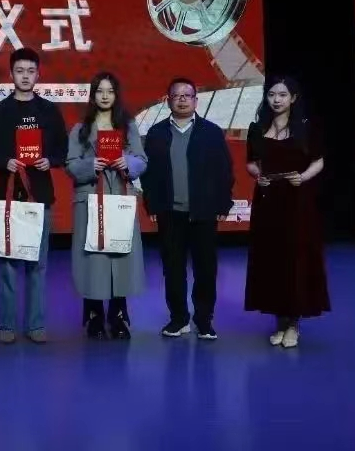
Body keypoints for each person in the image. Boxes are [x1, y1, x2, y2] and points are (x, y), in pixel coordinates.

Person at [0, 47, 68, 344]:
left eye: (30, 71)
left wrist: (50, 160)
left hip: (39, 195)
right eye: (20, 71)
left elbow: (62, 148)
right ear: (11, 74)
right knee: (7, 264)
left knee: (37, 264)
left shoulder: (49, 111)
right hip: (7, 195)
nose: (25, 76)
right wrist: (4, 161)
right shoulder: (0, 111)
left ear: (38, 75)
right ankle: (6, 325)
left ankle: (36, 325)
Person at [141, 77, 234, 341]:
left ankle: (204, 320)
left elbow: (224, 170)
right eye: (176, 95)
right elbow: (149, 175)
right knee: (173, 269)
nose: (182, 99)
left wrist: (223, 203)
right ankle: (178, 319)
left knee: (205, 269)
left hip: (203, 212)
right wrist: (152, 204)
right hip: (170, 212)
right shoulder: (157, 133)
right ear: (167, 100)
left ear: (196, 100)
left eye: (187, 95)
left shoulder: (211, 132)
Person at [244, 76, 329, 348]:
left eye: (282, 95)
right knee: (271, 259)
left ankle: (293, 324)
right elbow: (251, 163)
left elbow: (319, 161)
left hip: (297, 201)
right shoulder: (257, 128)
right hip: (267, 201)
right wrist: (258, 176)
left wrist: (302, 178)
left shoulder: (306, 127)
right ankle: (279, 321)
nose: (276, 100)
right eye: (271, 94)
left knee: (295, 259)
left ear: (293, 98)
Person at [65, 72, 147, 340]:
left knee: (120, 257)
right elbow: (71, 164)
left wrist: (127, 162)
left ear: (116, 95)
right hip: (91, 198)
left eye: (110, 91)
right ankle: (94, 315)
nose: (105, 96)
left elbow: (141, 159)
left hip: (120, 196)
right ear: (93, 95)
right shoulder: (81, 129)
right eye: (100, 91)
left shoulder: (128, 126)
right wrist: (91, 165)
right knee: (94, 259)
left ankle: (119, 315)